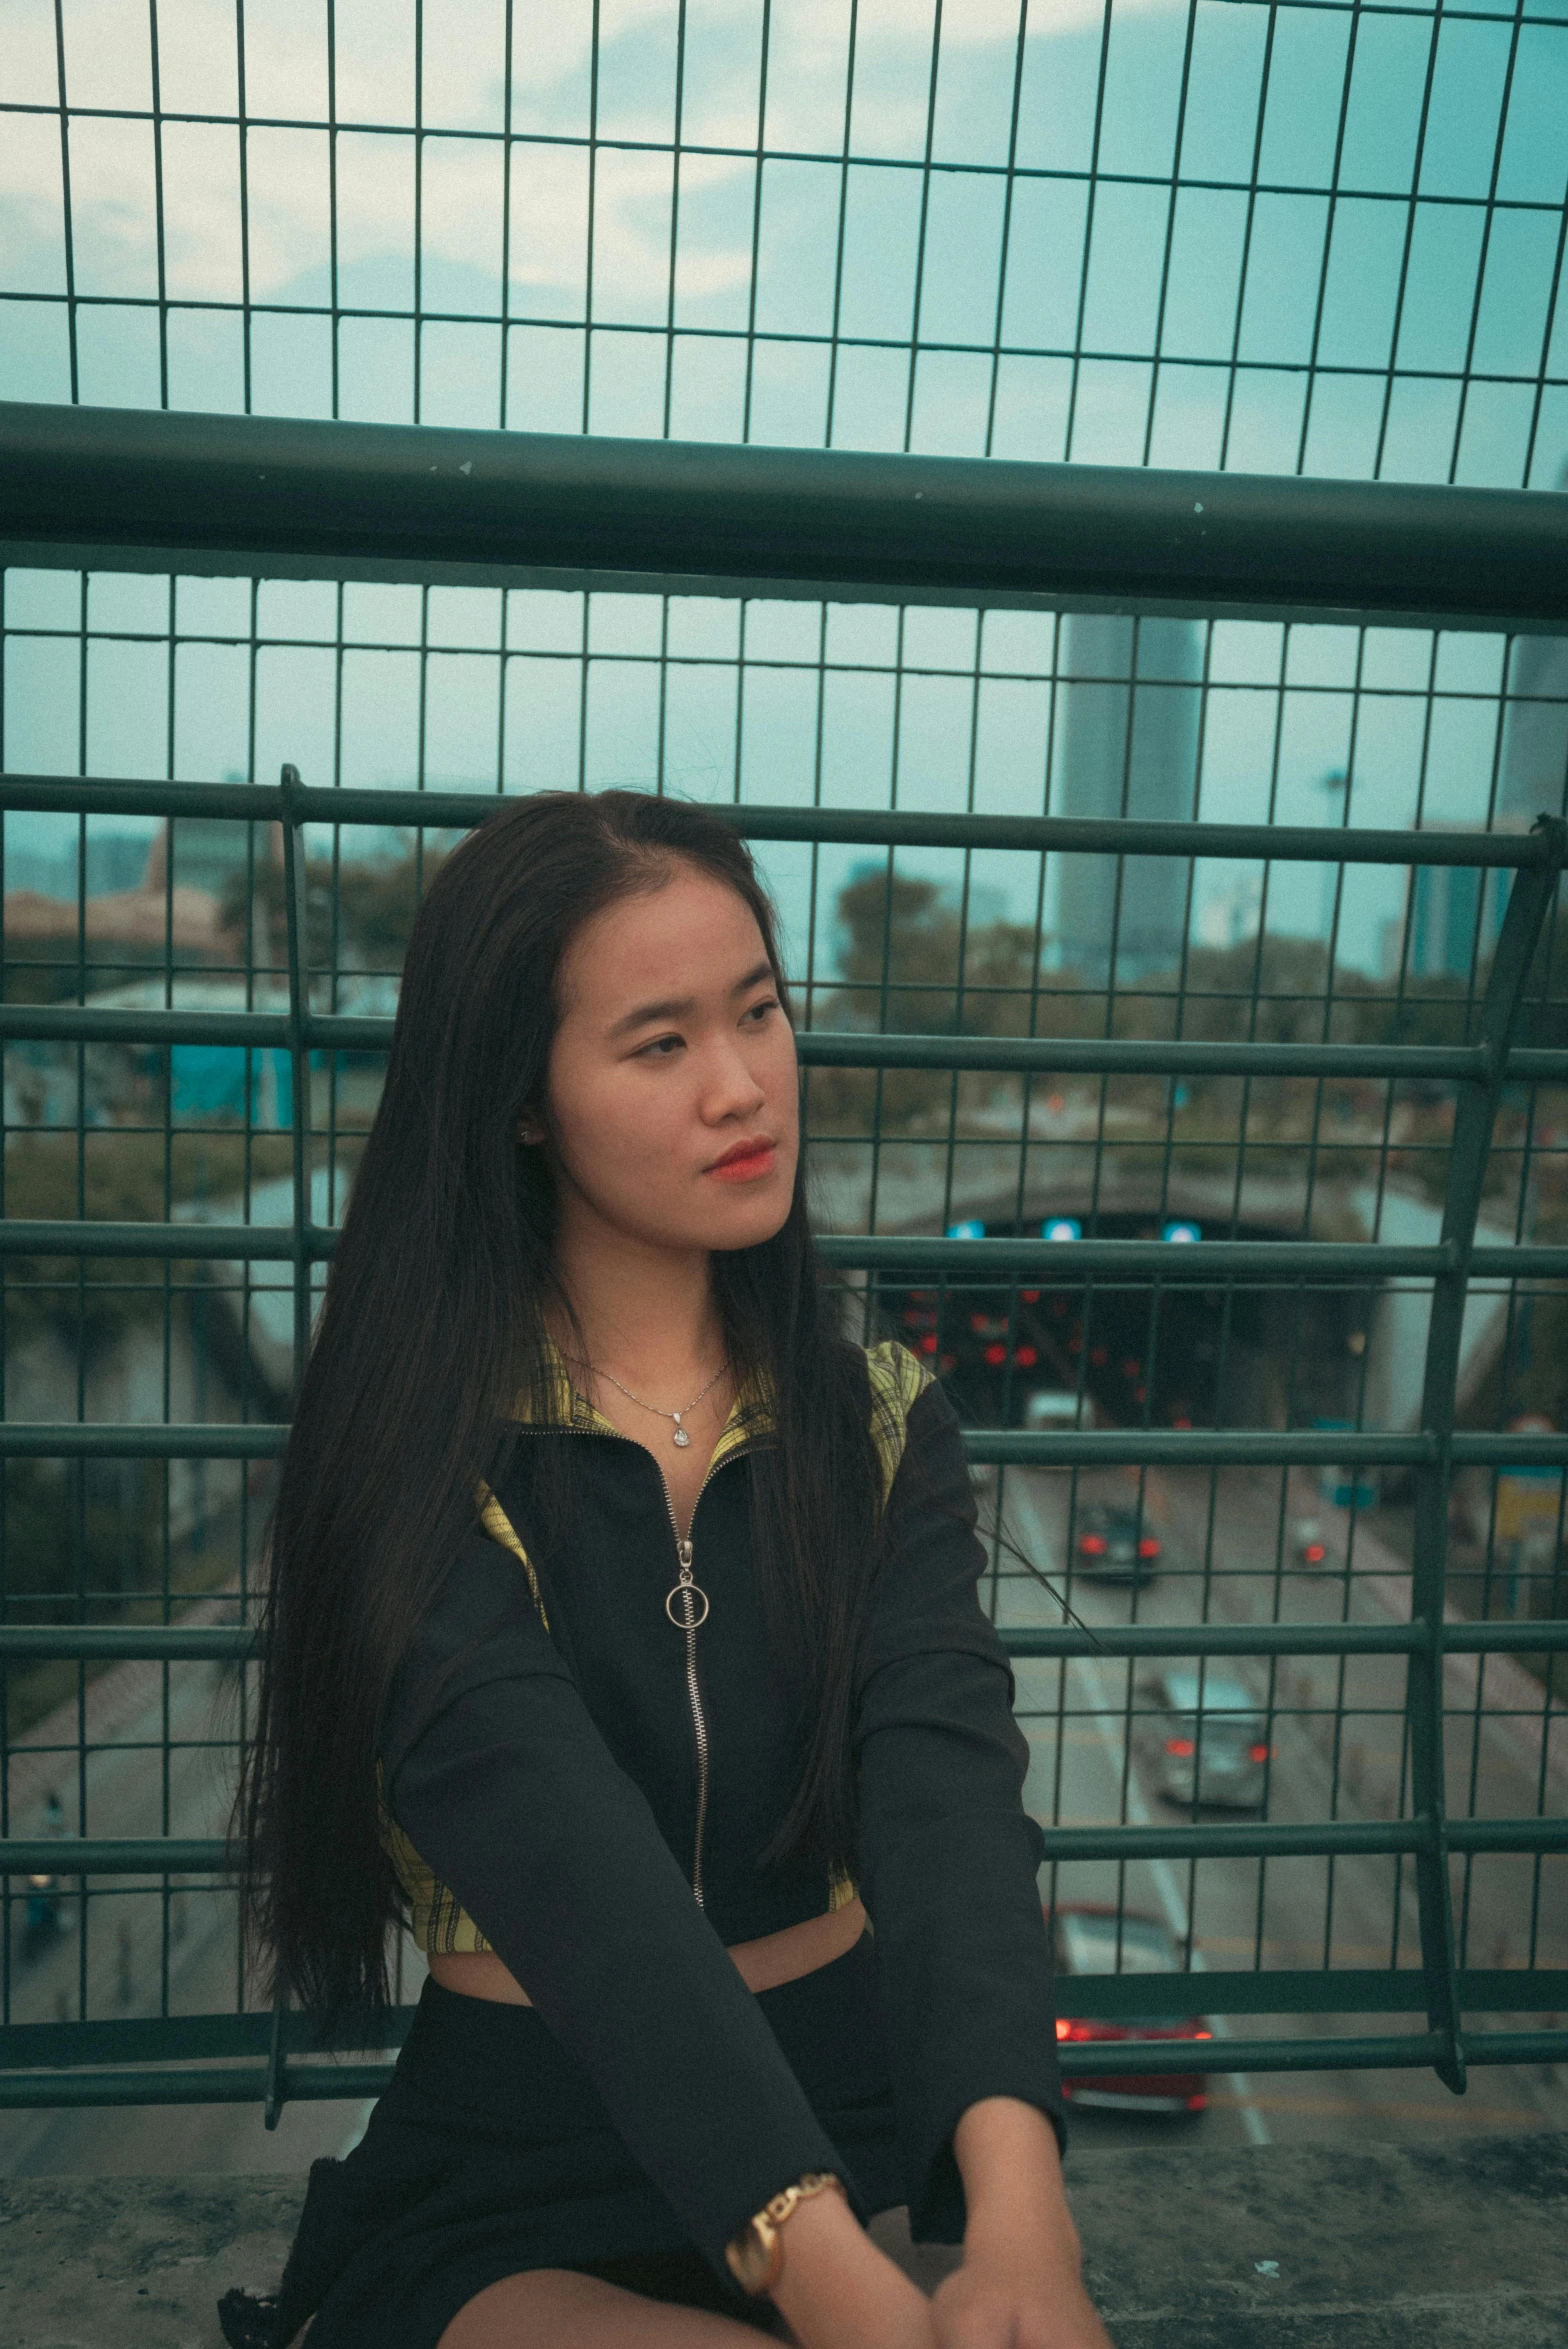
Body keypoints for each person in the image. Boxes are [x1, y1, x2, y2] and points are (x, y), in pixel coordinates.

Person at [220, 790, 1113, 2349]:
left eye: (758, 1013)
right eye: (660, 1044)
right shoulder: (411, 1459)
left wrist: (1025, 2219)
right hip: (526, 2152)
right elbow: (582, 1889)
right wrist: (833, 2291)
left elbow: (947, 1805)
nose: (743, 1086)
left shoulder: (878, 1420)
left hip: (862, 2101)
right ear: (520, 1098)